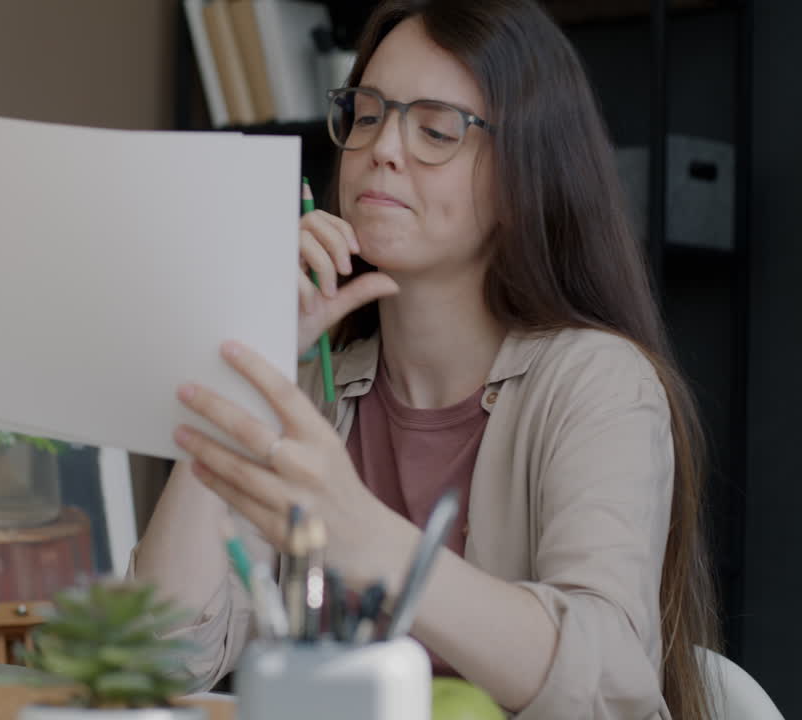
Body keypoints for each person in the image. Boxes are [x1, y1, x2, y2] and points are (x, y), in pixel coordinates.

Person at [130, 1, 720, 718]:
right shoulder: (312, 388)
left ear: (522, 177)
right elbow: (154, 660)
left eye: (437, 129)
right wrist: (244, 363)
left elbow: (608, 680)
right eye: (368, 114)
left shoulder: (598, 383)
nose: (383, 147)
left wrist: (362, 533)